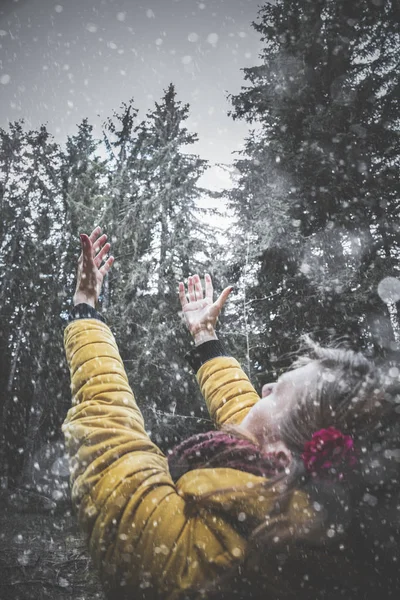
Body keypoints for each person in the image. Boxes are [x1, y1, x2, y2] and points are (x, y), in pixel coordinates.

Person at [63, 227, 400, 599]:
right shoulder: (310, 527)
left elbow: (112, 444)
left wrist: (84, 308)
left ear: (280, 459)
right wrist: (205, 336)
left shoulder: (199, 556)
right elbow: (252, 422)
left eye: (276, 392)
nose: (264, 389)